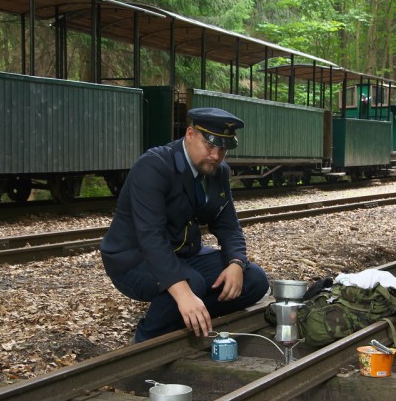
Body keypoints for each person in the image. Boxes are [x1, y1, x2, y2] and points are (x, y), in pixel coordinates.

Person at [100, 107, 269, 343]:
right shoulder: (154, 166)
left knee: (255, 280)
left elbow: (228, 225)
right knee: (191, 284)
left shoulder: (218, 171)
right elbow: (151, 237)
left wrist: (236, 263)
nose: (216, 155)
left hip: (183, 256)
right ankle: (144, 345)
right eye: (210, 145)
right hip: (133, 260)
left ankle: (188, 320)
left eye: (223, 149)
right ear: (190, 134)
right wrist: (183, 293)